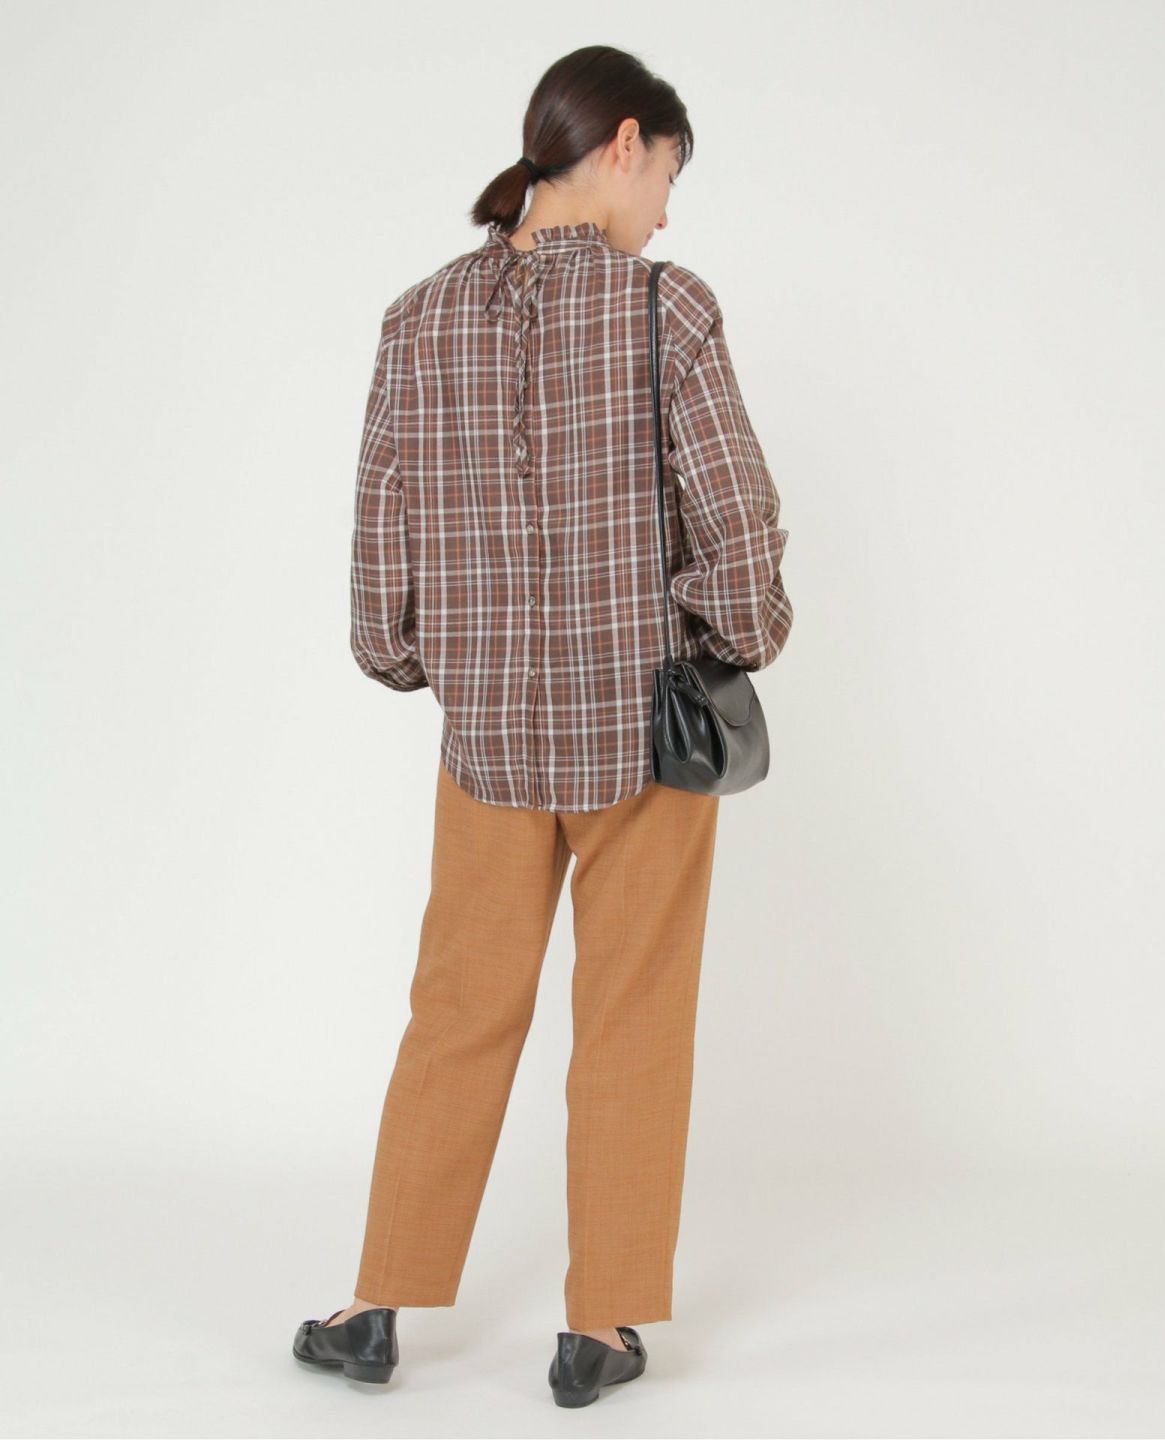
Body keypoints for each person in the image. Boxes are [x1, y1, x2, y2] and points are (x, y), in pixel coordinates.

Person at [292, 43, 793, 1407]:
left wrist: (422, 661)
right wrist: (731, 641)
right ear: (623, 144)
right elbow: (738, 519)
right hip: (642, 740)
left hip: (487, 749)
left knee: (455, 1015)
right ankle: (599, 1330)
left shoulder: (418, 320)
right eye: (670, 174)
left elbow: (380, 548)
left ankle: (375, 1307)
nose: (668, 213)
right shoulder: (667, 308)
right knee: (631, 1022)